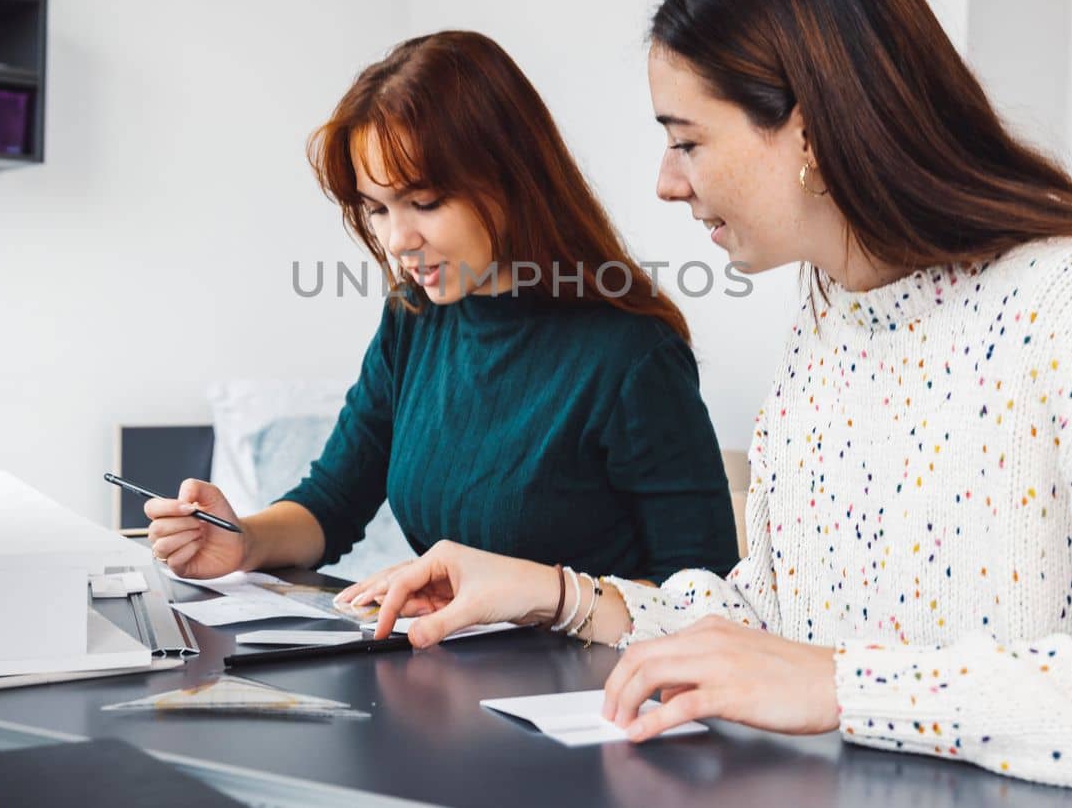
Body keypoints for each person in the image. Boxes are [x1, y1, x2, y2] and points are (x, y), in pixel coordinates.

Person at [340, 0, 1072, 805]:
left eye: (686, 140)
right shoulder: (830, 313)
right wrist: (556, 592)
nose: (665, 182)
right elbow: (774, 616)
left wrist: (841, 682)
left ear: (804, 127)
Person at [146, 30, 738, 586]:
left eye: (423, 202)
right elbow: (332, 503)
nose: (397, 238)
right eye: (376, 209)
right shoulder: (414, 320)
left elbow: (702, 593)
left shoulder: (629, 355)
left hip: (584, 691)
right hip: (451, 676)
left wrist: (543, 600)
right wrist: (241, 539)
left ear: (510, 178)